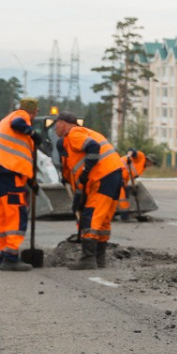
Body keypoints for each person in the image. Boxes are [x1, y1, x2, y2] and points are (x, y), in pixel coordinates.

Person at [51, 111, 125, 269]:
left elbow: (93, 147)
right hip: (113, 175)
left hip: (102, 176)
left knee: (91, 216)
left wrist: (86, 172)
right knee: (102, 219)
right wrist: (78, 199)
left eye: (56, 125)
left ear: (63, 123)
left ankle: (88, 259)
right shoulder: (76, 142)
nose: (55, 129)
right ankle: (99, 260)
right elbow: (74, 179)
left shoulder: (74, 133)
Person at [0, 97, 41, 272]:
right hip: (8, 173)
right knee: (16, 214)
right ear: (34, 111)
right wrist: (33, 133)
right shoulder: (20, 116)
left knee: (1, 215)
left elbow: (17, 156)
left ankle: (2, 255)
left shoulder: (4, 121)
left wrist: (31, 182)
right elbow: (18, 123)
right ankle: (11, 257)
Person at [117, 148, 157, 221]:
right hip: (117, 172)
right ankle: (124, 216)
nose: (151, 165)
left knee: (116, 196)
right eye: (152, 163)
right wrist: (129, 156)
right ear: (149, 160)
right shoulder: (141, 157)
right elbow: (131, 150)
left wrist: (133, 188)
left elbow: (130, 175)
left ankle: (113, 214)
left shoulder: (143, 167)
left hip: (122, 178)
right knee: (123, 197)